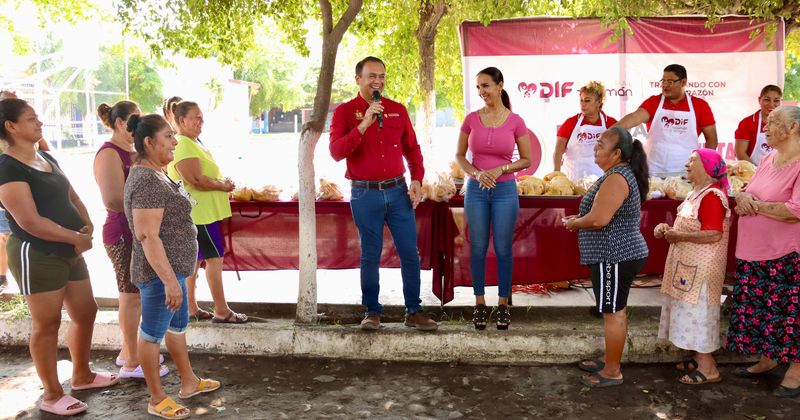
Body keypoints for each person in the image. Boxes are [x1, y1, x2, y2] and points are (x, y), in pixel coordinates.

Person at [0, 98, 118, 416]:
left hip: (71, 248)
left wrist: (88, 225)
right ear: (10, 126)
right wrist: (74, 238)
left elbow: (72, 195)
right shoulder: (7, 166)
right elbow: (29, 221)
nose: (39, 123)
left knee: (86, 311)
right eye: (31, 119)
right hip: (36, 252)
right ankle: (52, 395)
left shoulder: (46, 156)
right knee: (47, 323)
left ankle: (82, 375)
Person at [329, 56, 438, 331]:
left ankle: (413, 311)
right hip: (365, 194)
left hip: (398, 191)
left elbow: (412, 149)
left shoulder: (398, 110)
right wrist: (364, 123)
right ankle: (372, 311)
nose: (377, 82)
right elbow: (336, 152)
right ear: (358, 79)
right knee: (370, 253)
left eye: (381, 77)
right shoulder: (344, 113)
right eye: (371, 77)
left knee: (409, 252)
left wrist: (417, 180)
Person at [125, 113, 221, 418]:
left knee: (177, 328)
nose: (174, 141)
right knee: (152, 334)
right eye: (168, 136)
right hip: (158, 274)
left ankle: (189, 382)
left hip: (174, 270)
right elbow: (147, 235)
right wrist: (167, 280)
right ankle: (156, 398)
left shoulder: (157, 173)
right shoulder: (145, 181)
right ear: (149, 142)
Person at [564, 127, 649, 388]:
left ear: (617, 153)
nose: (595, 147)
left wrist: (575, 223)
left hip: (614, 255)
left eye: (601, 145)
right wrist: (579, 221)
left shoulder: (616, 178)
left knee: (613, 312)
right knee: (613, 310)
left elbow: (600, 219)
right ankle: (609, 359)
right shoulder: (617, 174)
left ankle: (612, 371)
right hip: (614, 254)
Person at [726, 105, 800, 398]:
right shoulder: (769, 158)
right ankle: (768, 358)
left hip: (785, 253)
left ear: (793, 128)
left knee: (789, 313)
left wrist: (755, 206)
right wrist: (743, 196)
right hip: (754, 252)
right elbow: (749, 189)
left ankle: (795, 370)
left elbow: (795, 210)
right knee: (764, 311)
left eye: (773, 122)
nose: (766, 127)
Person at [94, 100, 169, 379]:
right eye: (133, 119)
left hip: (140, 230)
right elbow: (113, 199)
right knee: (130, 295)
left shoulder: (133, 152)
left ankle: (131, 350)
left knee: (139, 293)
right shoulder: (110, 153)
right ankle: (131, 359)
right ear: (118, 123)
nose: (138, 124)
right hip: (122, 232)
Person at [455, 67, 531, 330]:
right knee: (476, 248)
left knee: (502, 248)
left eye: (486, 86)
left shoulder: (516, 121)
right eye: (478, 87)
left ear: (500, 85)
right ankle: (479, 303)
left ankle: (502, 305)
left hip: (505, 191)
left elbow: (526, 159)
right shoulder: (471, 119)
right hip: (476, 191)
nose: (481, 92)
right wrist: (476, 174)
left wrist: (501, 169)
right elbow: (460, 156)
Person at [166, 101, 247, 323]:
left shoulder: (192, 142)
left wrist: (222, 182)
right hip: (200, 214)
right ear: (182, 121)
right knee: (214, 259)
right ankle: (222, 310)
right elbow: (196, 180)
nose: (201, 122)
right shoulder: (183, 143)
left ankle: (191, 308)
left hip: (202, 213)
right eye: (196, 117)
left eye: (202, 117)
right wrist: (222, 186)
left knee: (195, 262)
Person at [654, 149, 730, 385]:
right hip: (689, 267)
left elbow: (713, 234)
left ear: (707, 166)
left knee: (698, 315)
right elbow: (689, 226)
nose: (686, 163)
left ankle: (708, 368)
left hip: (702, 271)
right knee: (689, 314)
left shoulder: (712, 196)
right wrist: (666, 229)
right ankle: (699, 358)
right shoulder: (696, 194)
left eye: (693, 160)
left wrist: (678, 235)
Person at [612, 64, 717, 175]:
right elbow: (635, 117)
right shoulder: (653, 102)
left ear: (683, 82)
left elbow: (712, 139)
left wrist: (706, 166)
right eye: (663, 81)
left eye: (670, 82)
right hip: (653, 171)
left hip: (686, 173)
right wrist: (611, 131)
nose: (665, 85)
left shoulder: (700, 106)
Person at [553, 81, 618, 180]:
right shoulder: (571, 122)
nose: (583, 104)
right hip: (573, 180)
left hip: (603, 180)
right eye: (581, 100)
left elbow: (619, 153)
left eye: (587, 100)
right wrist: (556, 175)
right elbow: (558, 150)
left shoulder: (611, 123)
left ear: (599, 102)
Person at [735, 85, 782, 165]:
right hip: (753, 173)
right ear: (759, 100)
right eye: (767, 100)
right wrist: (757, 172)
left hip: (779, 171)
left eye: (776, 100)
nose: (771, 104)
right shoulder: (747, 123)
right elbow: (740, 152)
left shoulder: (785, 122)